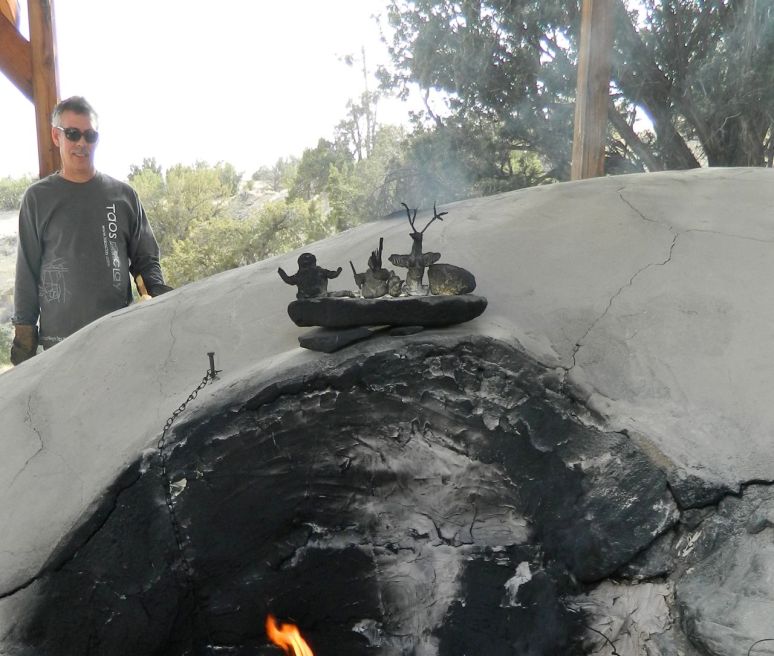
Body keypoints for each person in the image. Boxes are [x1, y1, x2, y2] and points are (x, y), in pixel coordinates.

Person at [10, 96, 171, 365]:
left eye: (90, 135)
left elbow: (145, 260)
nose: (82, 143)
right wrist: (24, 335)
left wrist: (157, 295)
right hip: (60, 346)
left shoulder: (124, 196)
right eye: (72, 134)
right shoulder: (37, 198)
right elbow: (27, 272)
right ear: (56, 136)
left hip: (118, 338)